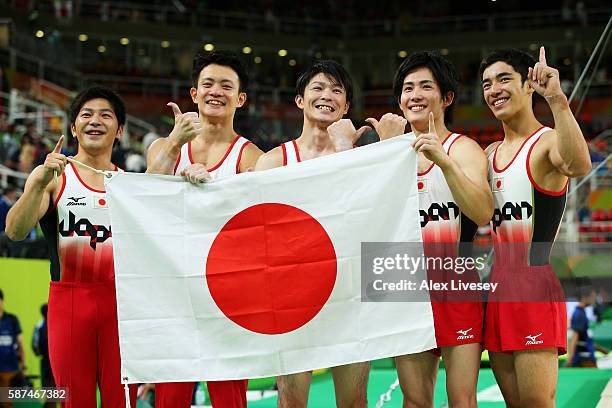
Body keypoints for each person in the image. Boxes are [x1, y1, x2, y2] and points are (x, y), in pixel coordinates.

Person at [368, 51, 493, 408]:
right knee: (416, 401)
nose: (415, 95)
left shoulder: (464, 149)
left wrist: (445, 162)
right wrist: (385, 149)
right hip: (406, 288)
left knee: (461, 400)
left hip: (456, 286)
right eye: (408, 88)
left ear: (447, 97)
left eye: (426, 86)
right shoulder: (390, 154)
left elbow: (483, 212)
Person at [5, 86, 138, 407]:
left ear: (119, 130)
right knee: (74, 399)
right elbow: (15, 231)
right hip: (70, 303)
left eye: (106, 115)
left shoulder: (133, 185)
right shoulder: (53, 176)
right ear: (73, 127)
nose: (96, 121)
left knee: (121, 400)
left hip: (121, 306)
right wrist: (36, 185)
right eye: (86, 115)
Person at [146, 50, 263, 408]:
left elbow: (258, 228)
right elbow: (142, 201)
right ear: (194, 94)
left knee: (230, 400)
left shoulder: (252, 158)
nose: (216, 91)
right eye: (207, 84)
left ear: (240, 98)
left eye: (226, 86)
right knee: (170, 399)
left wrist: (215, 195)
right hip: (173, 295)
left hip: (227, 296)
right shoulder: (161, 148)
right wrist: (175, 145)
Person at [254, 60, 371, 408]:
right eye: (318, 88)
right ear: (300, 100)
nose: (327, 96)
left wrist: (347, 153)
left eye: (337, 90)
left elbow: (372, 217)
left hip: (348, 293)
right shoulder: (273, 162)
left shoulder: (365, 160)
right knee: (291, 403)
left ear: (346, 107)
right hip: (292, 296)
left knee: (353, 402)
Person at [479, 47, 591, 407]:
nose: (494, 89)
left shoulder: (544, 144)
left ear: (529, 84)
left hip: (532, 285)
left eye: (504, 78)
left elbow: (578, 165)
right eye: (486, 83)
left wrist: (557, 100)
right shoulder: (487, 155)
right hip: (495, 289)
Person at [565, 282, 609, 368]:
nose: (594, 299)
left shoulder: (582, 313)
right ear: (585, 297)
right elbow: (575, 336)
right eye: (592, 297)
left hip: (587, 356)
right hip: (584, 359)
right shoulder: (578, 314)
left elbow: (585, 338)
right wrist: (570, 358)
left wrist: (600, 349)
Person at [0, 289, 26, 408]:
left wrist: (24, 366)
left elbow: (21, 344)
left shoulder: (12, 320)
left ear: (2, 301)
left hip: (10, 370)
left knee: (7, 403)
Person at [32, 304, 56, 408]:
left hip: (46, 363)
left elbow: (35, 345)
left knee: (49, 391)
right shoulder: (57, 324)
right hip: (58, 362)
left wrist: (39, 353)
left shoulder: (39, 325)